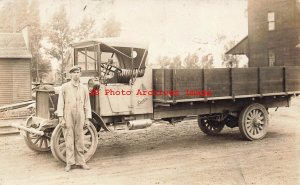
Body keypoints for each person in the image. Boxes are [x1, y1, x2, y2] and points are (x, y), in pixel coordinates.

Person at [57, 65, 92, 172]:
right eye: (74, 72)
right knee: (69, 138)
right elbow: (60, 103)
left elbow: (87, 104)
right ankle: (70, 163)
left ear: (80, 74)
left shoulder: (84, 88)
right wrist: (61, 117)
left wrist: (87, 118)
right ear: (70, 74)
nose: (76, 74)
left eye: (78, 72)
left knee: (80, 138)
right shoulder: (65, 87)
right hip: (68, 115)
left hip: (80, 115)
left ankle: (81, 162)